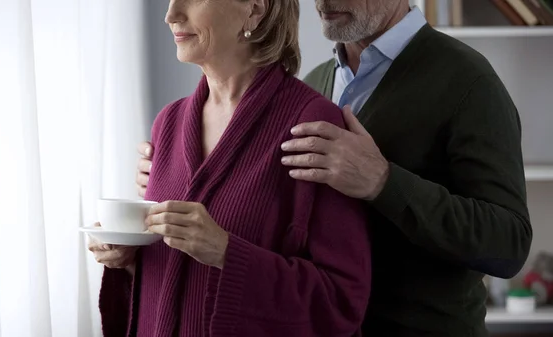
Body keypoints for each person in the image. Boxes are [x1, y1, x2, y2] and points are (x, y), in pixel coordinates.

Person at [134, 1, 533, 337]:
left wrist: (383, 182)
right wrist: (177, 181)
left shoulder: (468, 80)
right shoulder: (317, 83)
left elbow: (509, 245)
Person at [90, 0, 371, 336]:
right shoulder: (169, 122)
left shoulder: (311, 124)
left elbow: (341, 301)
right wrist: (130, 257)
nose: (170, 15)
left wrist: (226, 252)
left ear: (254, 9)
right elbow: (176, 277)